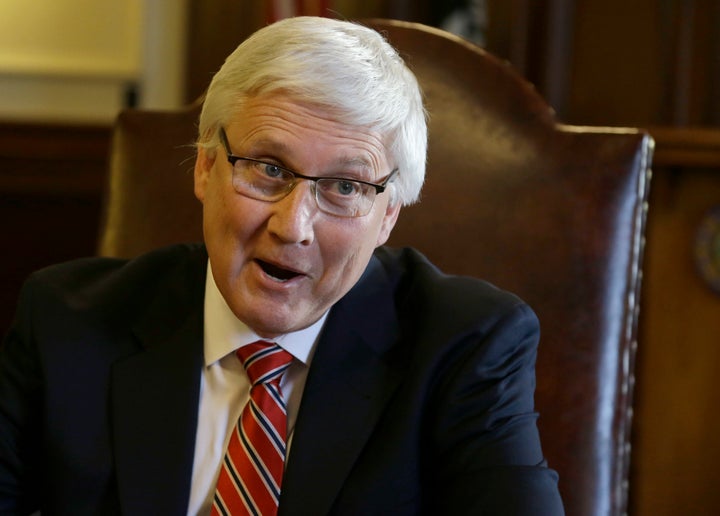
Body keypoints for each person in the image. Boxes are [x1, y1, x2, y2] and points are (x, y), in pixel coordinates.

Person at [0, 16, 564, 515]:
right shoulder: (65, 323)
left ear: (388, 215)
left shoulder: (466, 346)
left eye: (345, 186)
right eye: (269, 168)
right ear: (205, 169)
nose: (293, 226)